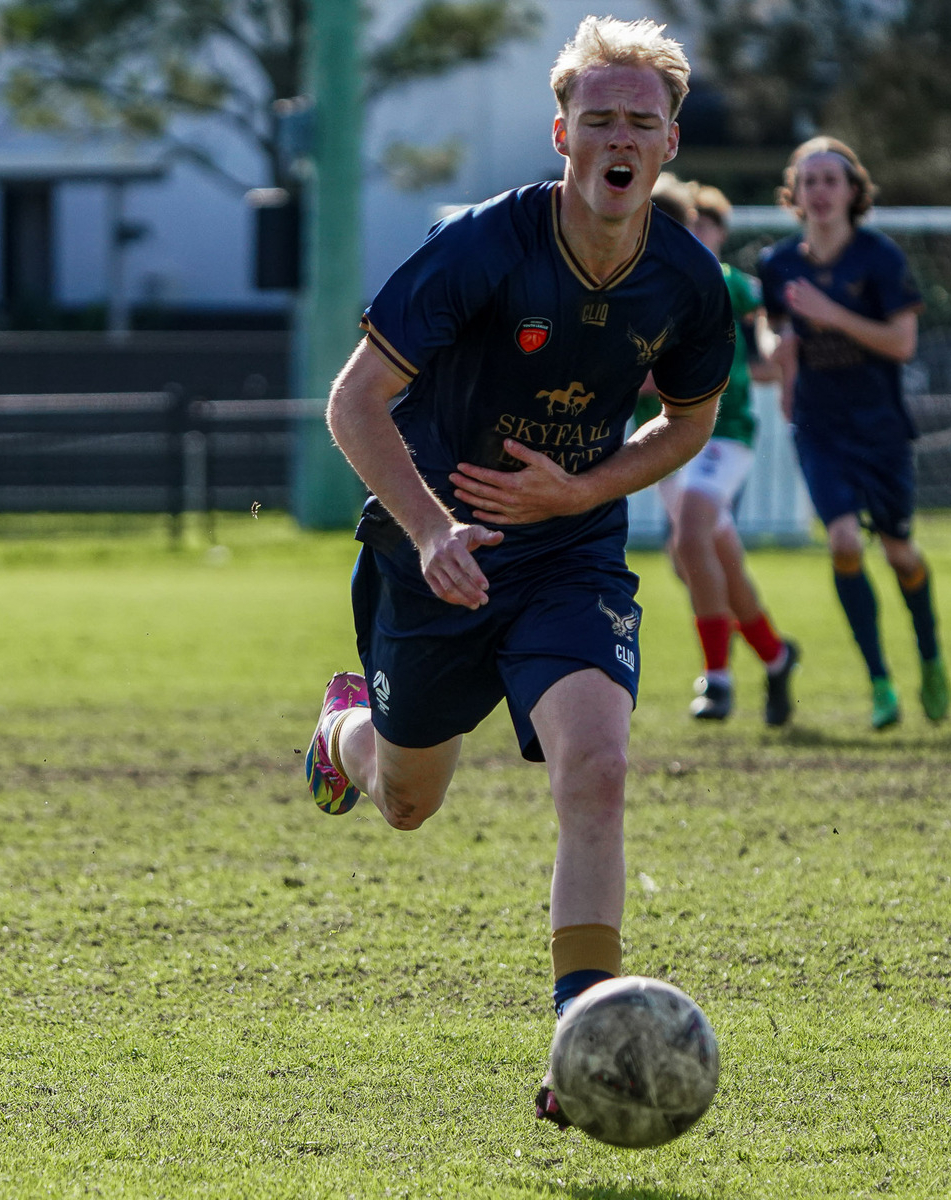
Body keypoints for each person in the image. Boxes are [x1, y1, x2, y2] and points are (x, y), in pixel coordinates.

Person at [301, 17, 733, 1127]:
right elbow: (354, 403)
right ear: (562, 133)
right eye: (600, 118)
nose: (619, 136)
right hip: (432, 547)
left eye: (641, 119)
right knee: (407, 801)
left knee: (596, 771)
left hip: (568, 553)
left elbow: (690, 424)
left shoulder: (689, 283)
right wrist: (438, 528)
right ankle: (341, 735)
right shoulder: (482, 246)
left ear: (671, 142)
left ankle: (578, 1044)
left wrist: (583, 493)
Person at [757, 137, 951, 729]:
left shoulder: (880, 258)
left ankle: (931, 656)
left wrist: (830, 314)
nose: (819, 191)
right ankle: (880, 683)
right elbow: (772, 336)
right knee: (842, 542)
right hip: (819, 427)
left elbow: (902, 343)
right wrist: (778, 347)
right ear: (795, 193)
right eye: (808, 180)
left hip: (882, 429)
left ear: (852, 191)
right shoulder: (778, 264)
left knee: (899, 553)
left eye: (830, 180)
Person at [636, 176, 798, 724]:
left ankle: (719, 679)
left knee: (692, 535)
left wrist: (781, 359)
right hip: (660, 438)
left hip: (720, 430)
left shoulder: (722, 282)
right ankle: (776, 658)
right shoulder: (625, 285)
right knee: (709, 560)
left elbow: (763, 339)